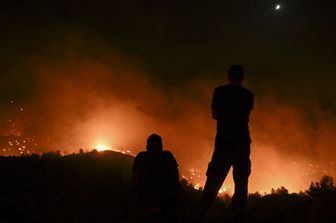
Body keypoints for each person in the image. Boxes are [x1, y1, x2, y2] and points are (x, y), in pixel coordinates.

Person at [196, 65, 254, 221]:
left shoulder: (220, 91)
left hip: (224, 142)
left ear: (228, 76)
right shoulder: (248, 95)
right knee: (241, 184)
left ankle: (200, 214)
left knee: (214, 180)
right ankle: (238, 216)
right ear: (242, 77)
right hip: (242, 143)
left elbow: (215, 115)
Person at [132, 134, 180, 223]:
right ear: (161, 146)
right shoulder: (168, 156)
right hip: (165, 205)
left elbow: (134, 180)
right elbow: (176, 179)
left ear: (147, 147)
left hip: (144, 203)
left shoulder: (140, 157)